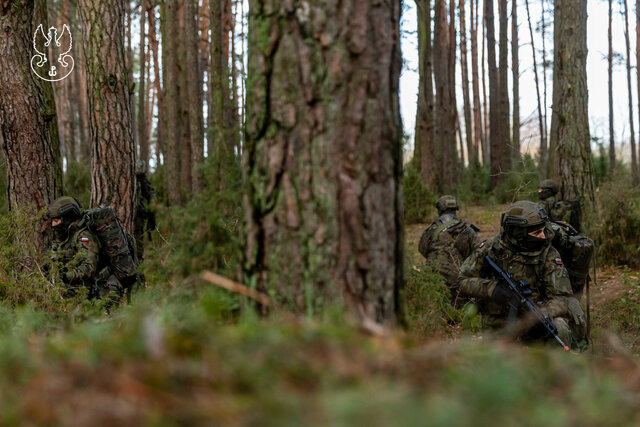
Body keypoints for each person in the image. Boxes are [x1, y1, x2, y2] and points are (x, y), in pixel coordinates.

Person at [457, 200, 587, 349]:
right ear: (519, 233)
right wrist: (493, 289)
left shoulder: (548, 253)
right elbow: (462, 280)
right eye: (537, 233)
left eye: (544, 230)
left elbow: (563, 297)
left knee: (560, 328)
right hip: (497, 325)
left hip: (533, 324)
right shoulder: (490, 248)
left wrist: (541, 314)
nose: (543, 236)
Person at [48, 196, 122, 301]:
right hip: (70, 289)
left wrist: (65, 276)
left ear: (67, 219)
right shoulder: (65, 237)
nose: (53, 225)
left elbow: (89, 268)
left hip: (87, 291)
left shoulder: (84, 237)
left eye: (56, 221)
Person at [418, 195, 480, 301]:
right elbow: (479, 253)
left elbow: (422, 250)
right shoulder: (467, 230)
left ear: (440, 210)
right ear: (456, 209)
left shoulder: (430, 231)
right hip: (459, 285)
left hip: (434, 284)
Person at [133, 160, 157, 263]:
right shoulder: (136, 181)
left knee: (138, 240)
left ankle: (138, 264)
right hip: (135, 215)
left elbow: (152, 200)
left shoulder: (144, 182)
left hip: (139, 216)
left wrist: (152, 219)